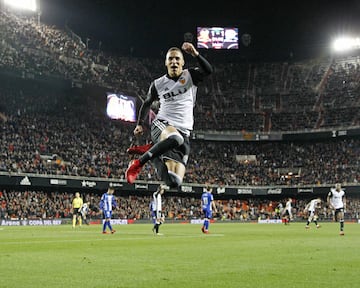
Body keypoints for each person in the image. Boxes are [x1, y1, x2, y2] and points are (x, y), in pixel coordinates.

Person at [125, 42, 213, 190]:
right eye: (171, 59)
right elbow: (147, 103)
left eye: (177, 59)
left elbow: (208, 70)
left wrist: (195, 54)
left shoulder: (190, 75)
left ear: (182, 62)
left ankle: (150, 151)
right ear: (166, 62)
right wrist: (139, 124)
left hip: (184, 132)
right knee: (175, 138)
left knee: (174, 182)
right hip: (162, 125)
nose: (174, 61)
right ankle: (138, 163)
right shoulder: (158, 84)